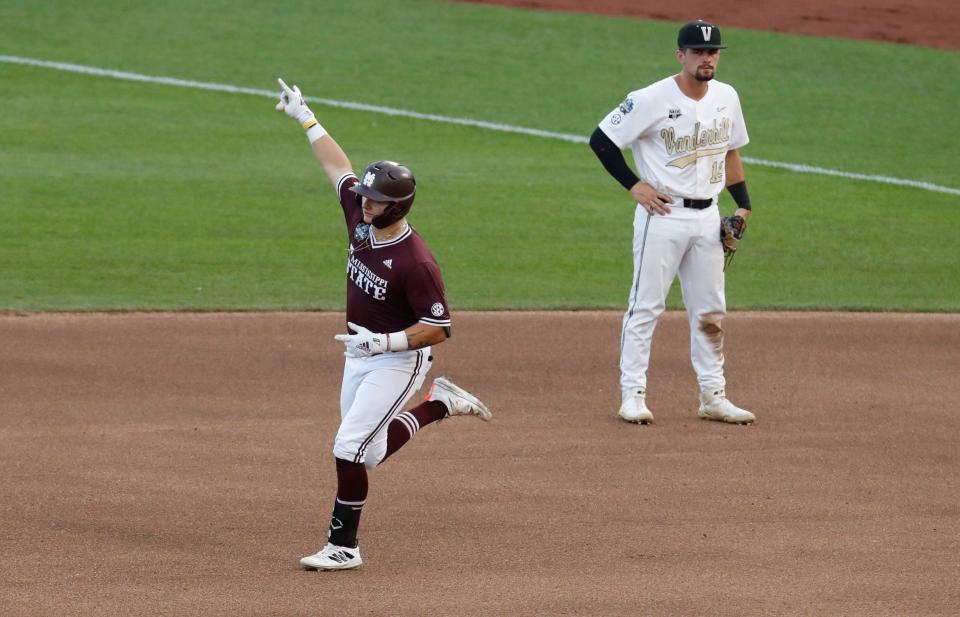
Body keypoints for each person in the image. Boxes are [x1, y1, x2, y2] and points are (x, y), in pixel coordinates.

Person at [275, 78, 492, 571]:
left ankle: (343, 547)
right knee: (366, 456)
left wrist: (386, 343)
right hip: (361, 352)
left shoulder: (417, 262)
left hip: (399, 359)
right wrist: (306, 117)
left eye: (372, 200)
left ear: (396, 206)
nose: (362, 203)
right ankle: (440, 404)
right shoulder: (361, 214)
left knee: (348, 446)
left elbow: (439, 327)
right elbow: (338, 167)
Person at [588, 20, 756, 426]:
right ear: (681, 55)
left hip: (709, 216)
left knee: (711, 310)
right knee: (646, 306)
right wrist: (635, 186)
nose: (707, 58)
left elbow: (729, 152)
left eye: (713, 52)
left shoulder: (726, 96)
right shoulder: (650, 98)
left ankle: (713, 396)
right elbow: (601, 140)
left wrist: (744, 205)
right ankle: (633, 395)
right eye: (698, 52)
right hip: (662, 217)